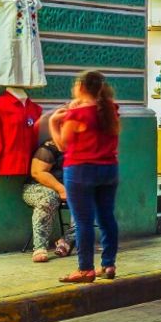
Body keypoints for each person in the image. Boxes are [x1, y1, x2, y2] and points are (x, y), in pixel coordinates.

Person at [52, 70, 120, 284]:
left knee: (83, 221)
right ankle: (108, 264)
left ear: (81, 86)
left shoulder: (78, 115)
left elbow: (63, 144)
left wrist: (54, 122)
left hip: (81, 170)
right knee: (107, 217)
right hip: (109, 169)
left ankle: (85, 269)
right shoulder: (110, 110)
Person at [23, 112, 75, 262]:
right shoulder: (49, 148)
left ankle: (66, 241)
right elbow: (38, 172)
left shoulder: (80, 149)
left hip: (69, 191)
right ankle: (40, 247)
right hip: (36, 188)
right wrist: (61, 189)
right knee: (49, 197)